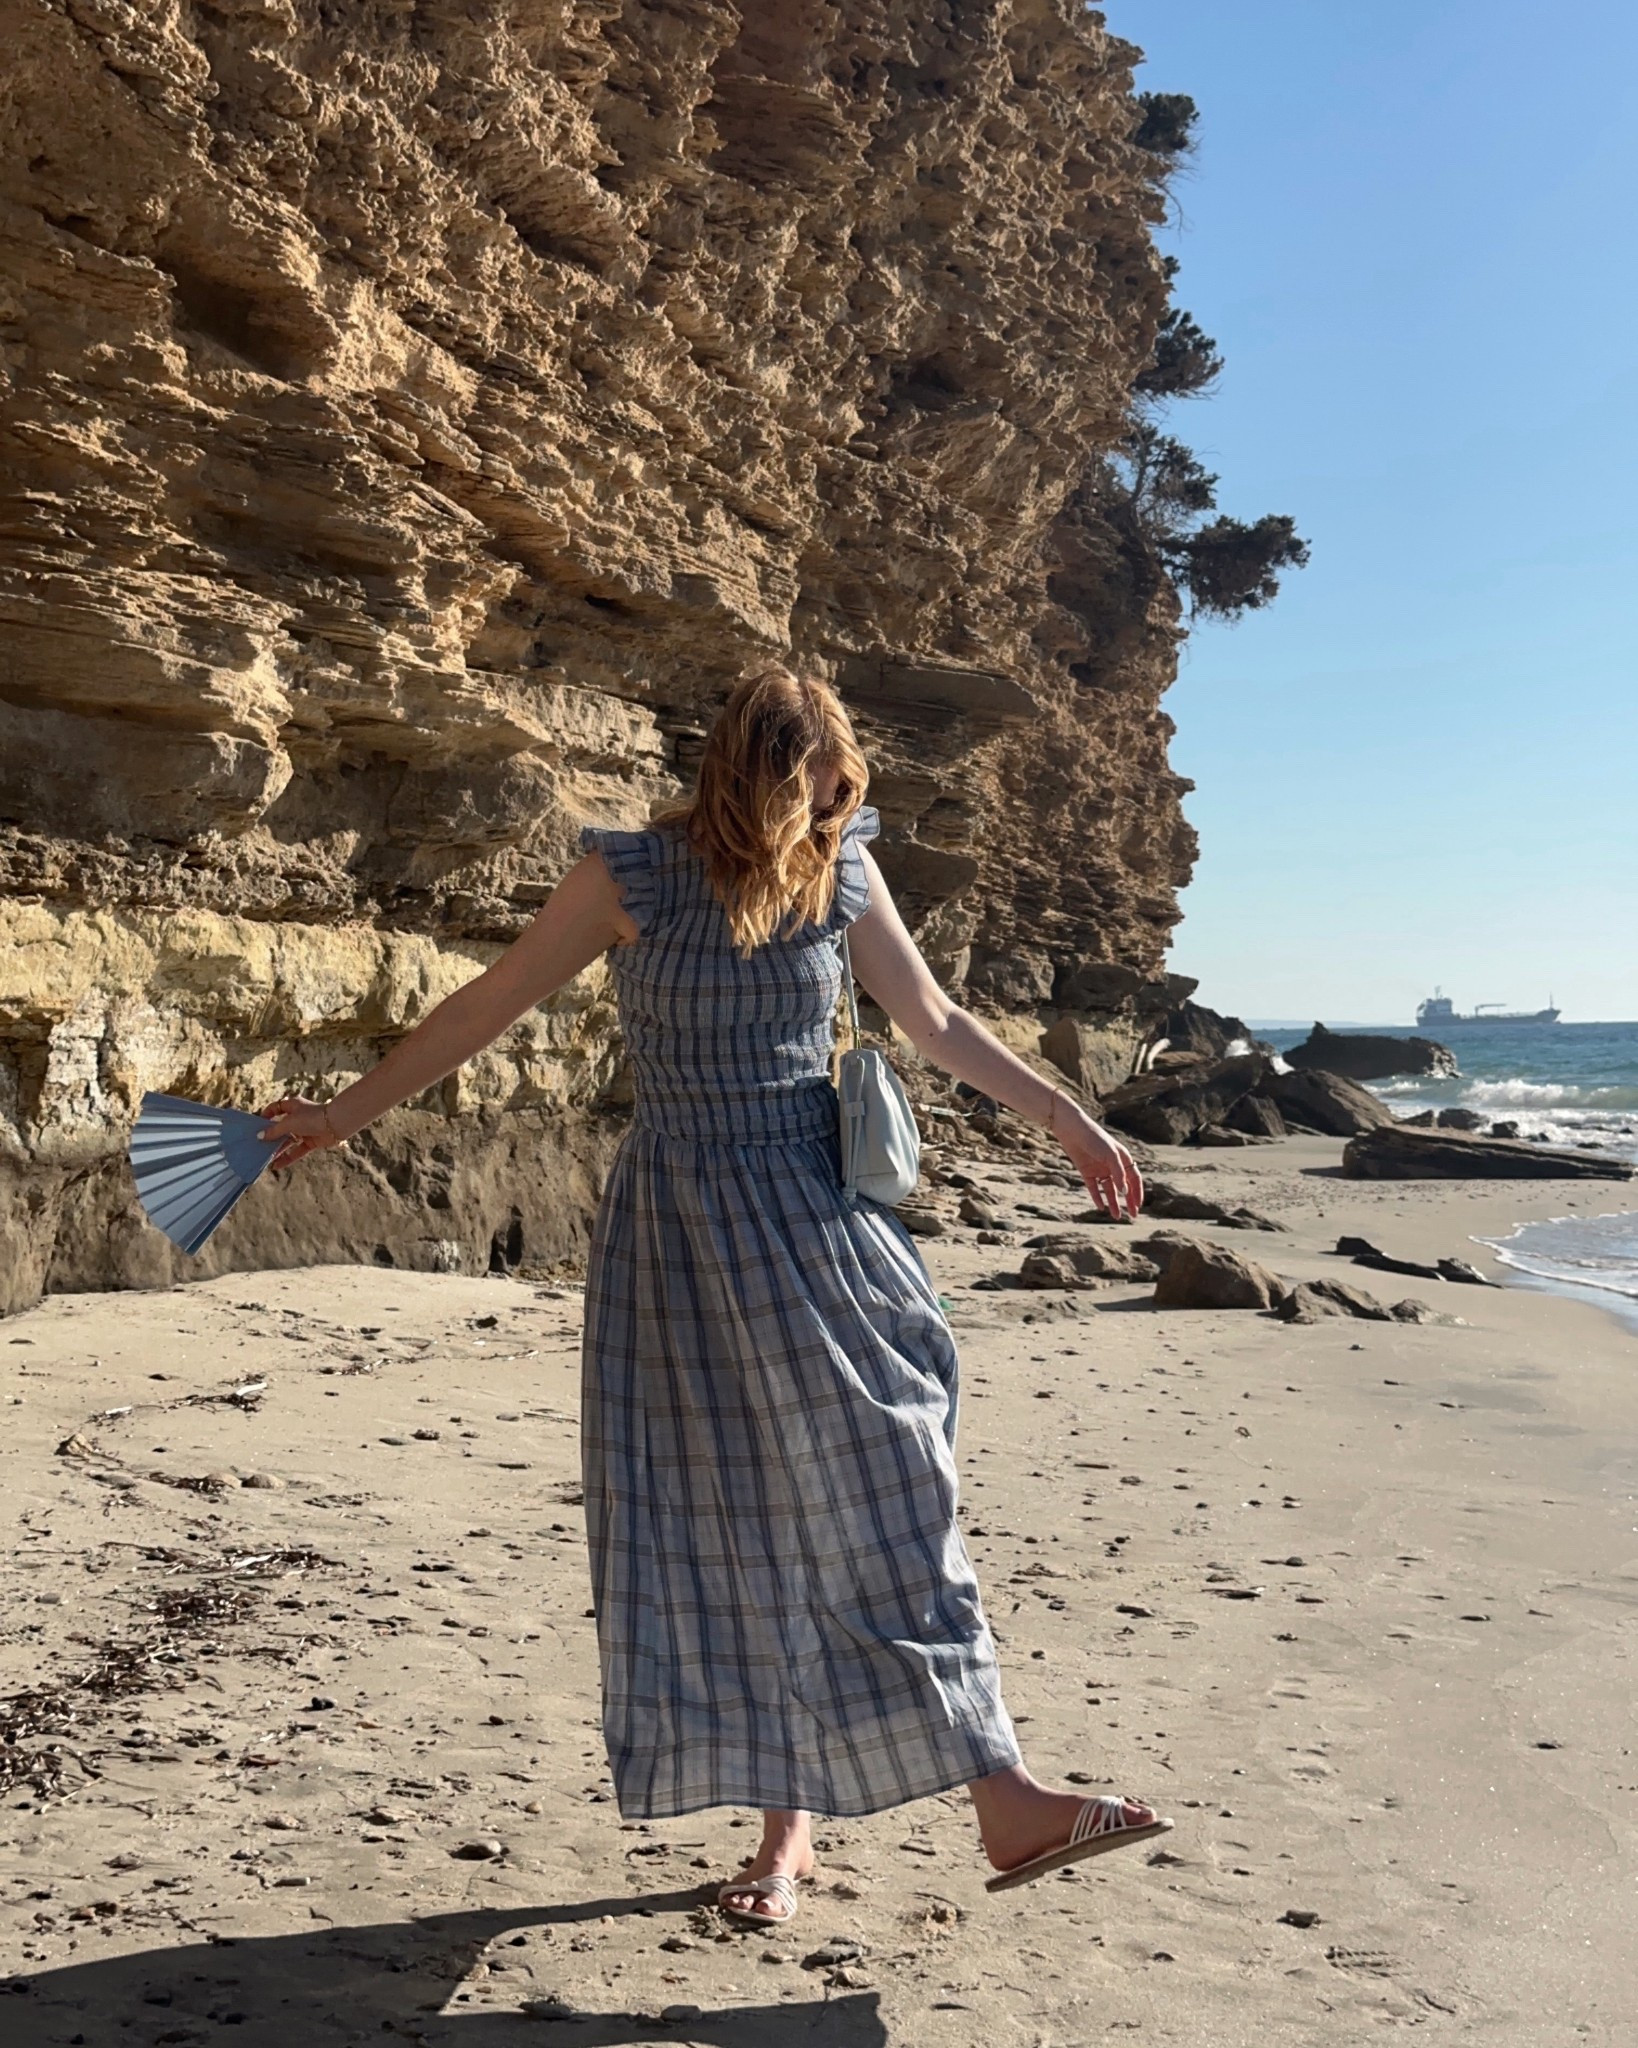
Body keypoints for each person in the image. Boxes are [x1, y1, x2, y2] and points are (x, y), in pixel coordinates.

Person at [257, 664, 1171, 1924]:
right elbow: (487, 1004)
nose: (821, 804)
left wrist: (1068, 1117)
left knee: (895, 1476)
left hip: (823, 1223)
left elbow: (937, 1018)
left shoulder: (843, 871)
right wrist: (344, 1112)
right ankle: (786, 1836)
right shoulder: (625, 875)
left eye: (834, 784)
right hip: (681, 1236)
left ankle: (1001, 1791)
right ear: (748, 768)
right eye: (805, 780)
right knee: (728, 1518)